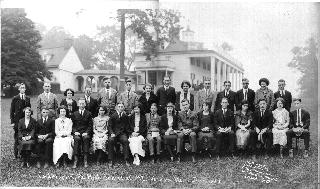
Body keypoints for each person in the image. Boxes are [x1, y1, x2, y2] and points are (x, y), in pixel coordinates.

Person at [10, 83, 31, 158]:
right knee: (17, 137)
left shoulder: (27, 98)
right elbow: (12, 111)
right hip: (17, 121)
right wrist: (12, 122)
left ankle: (23, 153)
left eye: (24, 87)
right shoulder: (15, 98)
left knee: (24, 136)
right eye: (21, 88)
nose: (22, 89)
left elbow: (29, 109)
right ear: (19, 89)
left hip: (25, 121)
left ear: (25, 89)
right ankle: (16, 154)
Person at [71, 98, 93, 168]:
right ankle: (76, 160)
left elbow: (90, 125)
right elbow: (72, 125)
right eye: (80, 103)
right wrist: (75, 132)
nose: (81, 105)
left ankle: (85, 159)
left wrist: (87, 132)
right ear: (78, 104)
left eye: (83, 103)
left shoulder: (89, 113)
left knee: (86, 138)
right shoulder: (74, 114)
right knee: (76, 139)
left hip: (85, 132)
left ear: (85, 104)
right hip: (77, 132)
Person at [107, 102, 130, 167]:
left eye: (122, 106)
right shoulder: (113, 116)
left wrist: (129, 134)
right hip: (114, 134)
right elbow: (109, 126)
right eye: (119, 106)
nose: (120, 108)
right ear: (116, 107)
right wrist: (111, 133)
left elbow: (127, 127)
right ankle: (110, 160)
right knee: (110, 140)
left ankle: (126, 159)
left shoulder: (125, 116)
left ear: (124, 108)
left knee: (125, 140)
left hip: (122, 134)